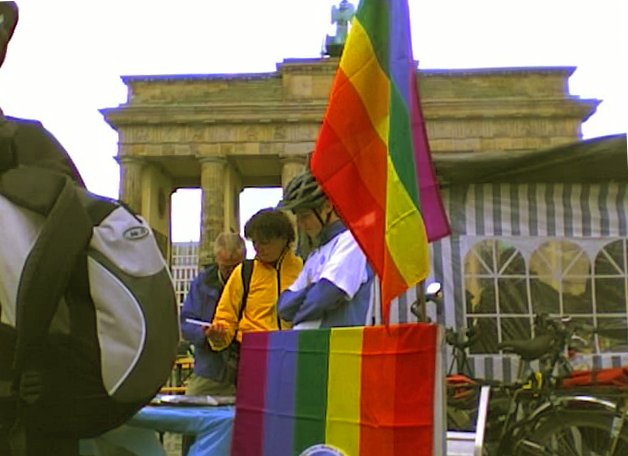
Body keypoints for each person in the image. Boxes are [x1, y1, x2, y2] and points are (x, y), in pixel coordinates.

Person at [206, 208, 302, 370]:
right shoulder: (244, 271)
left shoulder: (304, 269)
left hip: (295, 354)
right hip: (252, 356)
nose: (258, 248)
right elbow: (225, 317)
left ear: (284, 238)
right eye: (254, 242)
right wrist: (218, 336)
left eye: (264, 242)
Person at [277, 169, 374, 328]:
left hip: (340, 347)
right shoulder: (316, 253)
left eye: (306, 216)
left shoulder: (352, 241)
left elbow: (325, 296)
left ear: (328, 206)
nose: (301, 224)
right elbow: (283, 308)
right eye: (298, 217)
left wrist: (305, 301)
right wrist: (313, 290)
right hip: (312, 345)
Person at [179, 232, 246, 396]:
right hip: (211, 369)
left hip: (246, 369)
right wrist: (205, 334)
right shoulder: (202, 283)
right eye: (226, 267)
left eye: (235, 267)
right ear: (217, 260)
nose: (231, 273)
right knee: (190, 413)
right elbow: (186, 322)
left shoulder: (256, 279)